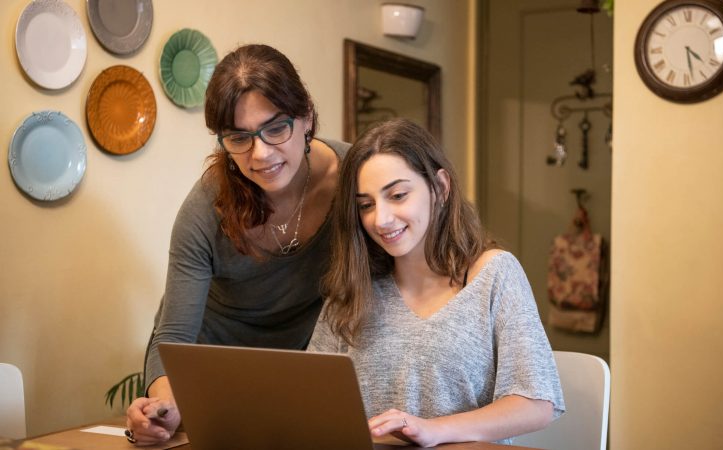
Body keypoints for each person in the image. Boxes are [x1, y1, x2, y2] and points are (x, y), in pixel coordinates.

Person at [125, 44, 349, 446]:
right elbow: (173, 335)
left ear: (307, 117)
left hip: (304, 369)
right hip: (213, 371)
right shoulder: (205, 208)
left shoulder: (356, 179)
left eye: (276, 128)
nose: (260, 154)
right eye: (239, 137)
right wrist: (161, 406)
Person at [309, 118, 564, 447]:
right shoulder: (354, 286)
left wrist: (433, 430)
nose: (381, 219)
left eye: (398, 195)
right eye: (366, 205)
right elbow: (314, 398)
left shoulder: (495, 274)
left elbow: (537, 403)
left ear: (440, 188)